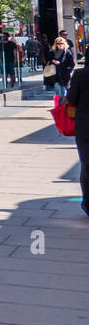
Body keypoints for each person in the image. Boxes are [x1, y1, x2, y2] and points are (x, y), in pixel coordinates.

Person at [65, 57, 89, 217]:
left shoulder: (80, 74)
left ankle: (88, 203)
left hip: (85, 126)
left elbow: (72, 98)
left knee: (87, 164)